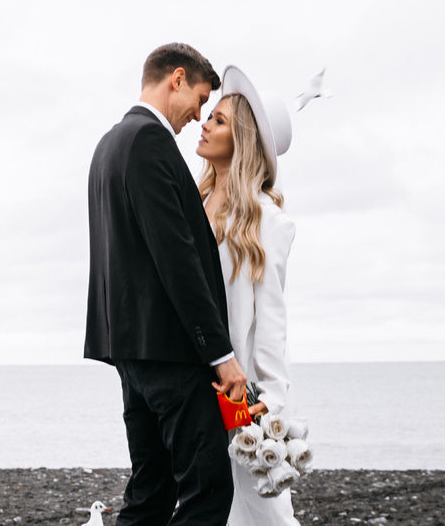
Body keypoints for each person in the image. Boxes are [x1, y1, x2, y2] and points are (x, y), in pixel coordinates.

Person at [87, 43, 250, 526]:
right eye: (199, 99)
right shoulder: (149, 142)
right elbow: (175, 257)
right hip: (172, 357)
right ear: (175, 79)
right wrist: (220, 355)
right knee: (206, 490)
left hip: (129, 351)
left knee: (151, 491)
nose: (197, 116)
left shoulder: (109, 144)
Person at [195, 65, 298, 526]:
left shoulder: (268, 222)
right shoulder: (190, 202)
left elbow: (272, 322)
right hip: (190, 386)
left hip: (239, 398)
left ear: (241, 139)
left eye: (217, 120)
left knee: (260, 511)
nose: (204, 123)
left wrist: (270, 406)